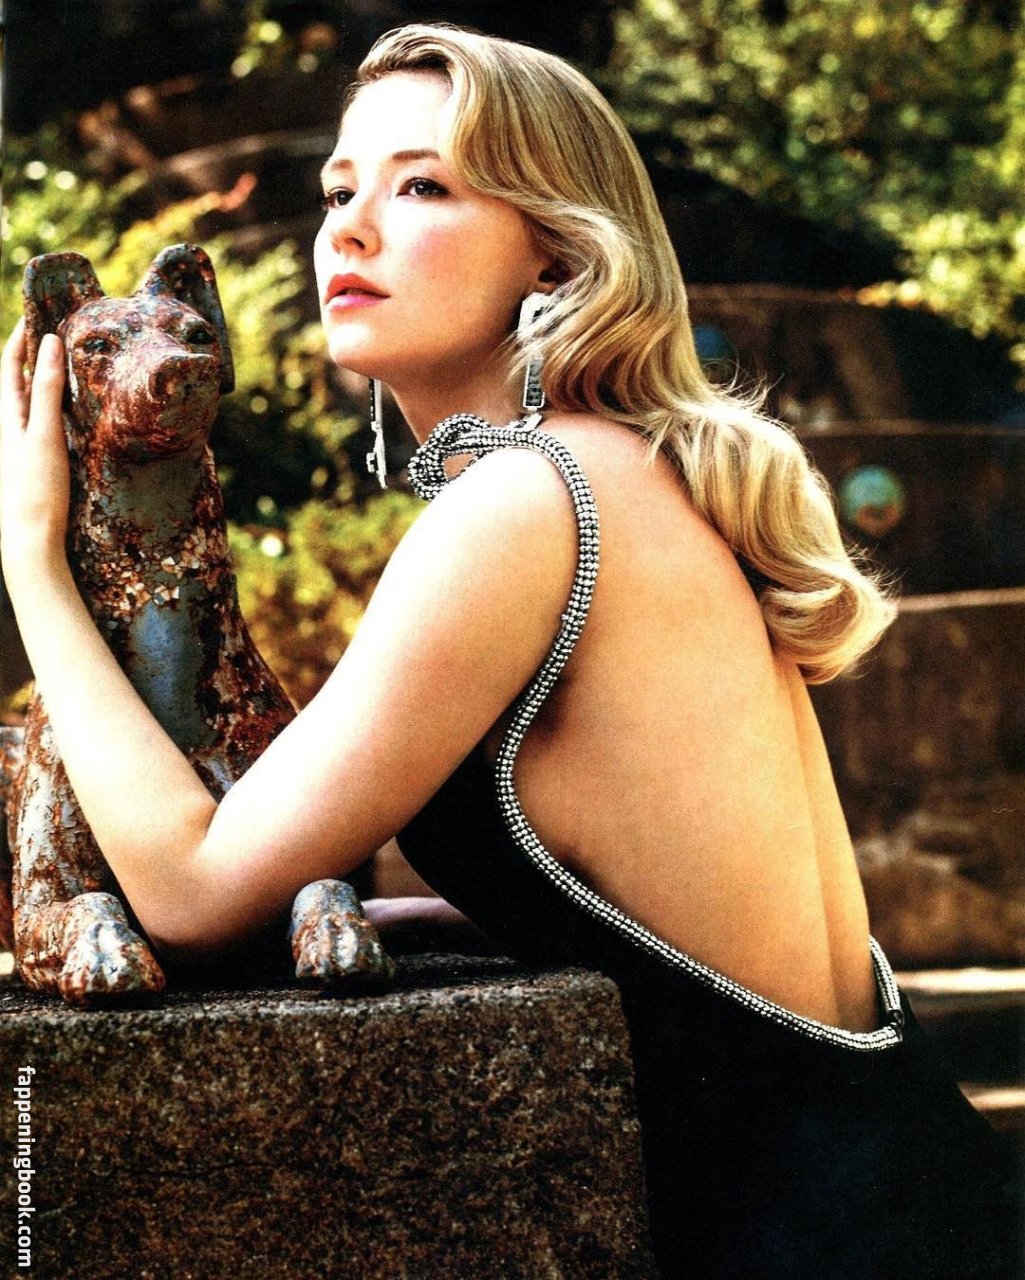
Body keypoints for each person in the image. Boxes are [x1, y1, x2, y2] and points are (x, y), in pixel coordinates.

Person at [0, 23, 1015, 1278]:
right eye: (338, 191)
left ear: (556, 246)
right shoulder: (623, 470)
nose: (350, 230)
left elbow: (193, 889)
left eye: (421, 186)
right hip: (907, 1185)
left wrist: (34, 563)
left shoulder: (527, 504)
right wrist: (431, 913)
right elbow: (653, 908)